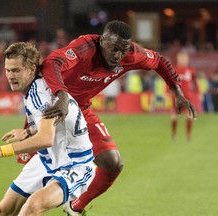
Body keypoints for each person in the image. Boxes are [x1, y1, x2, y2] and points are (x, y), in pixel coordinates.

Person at [37, 20, 197, 215]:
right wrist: (62, 95)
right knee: (34, 178)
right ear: (103, 41)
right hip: (49, 108)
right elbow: (51, 62)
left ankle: (75, 207)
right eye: (114, 49)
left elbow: (160, 61)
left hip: (81, 111)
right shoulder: (86, 47)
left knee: (113, 163)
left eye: (123, 50)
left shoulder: (130, 55)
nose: (119, 56)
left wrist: (177, 92)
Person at [0, 42, 95, 216]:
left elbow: (45, 138)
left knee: (32, 207)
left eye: (16, 70)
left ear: (31, 69)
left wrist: (1, 151)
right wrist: (27, 132)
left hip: (75, 165)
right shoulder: (33, 88)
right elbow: (50, 123)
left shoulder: (40, 93)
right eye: (8, 70)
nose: (10, 76)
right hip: (47, 160)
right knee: (3, 211)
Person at [170, 51, 200, 141]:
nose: (183, 60)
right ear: (178, 59)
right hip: (176, 96)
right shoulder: (173, 70)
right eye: (181, 58)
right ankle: (174, 134)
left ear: (187, 59)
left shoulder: (191, 70)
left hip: (188, 97)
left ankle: (188, 135)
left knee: (189, 115)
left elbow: (195, 83)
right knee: (174, 116)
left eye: (185, 58)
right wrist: (165, 92)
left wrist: (199, 92)